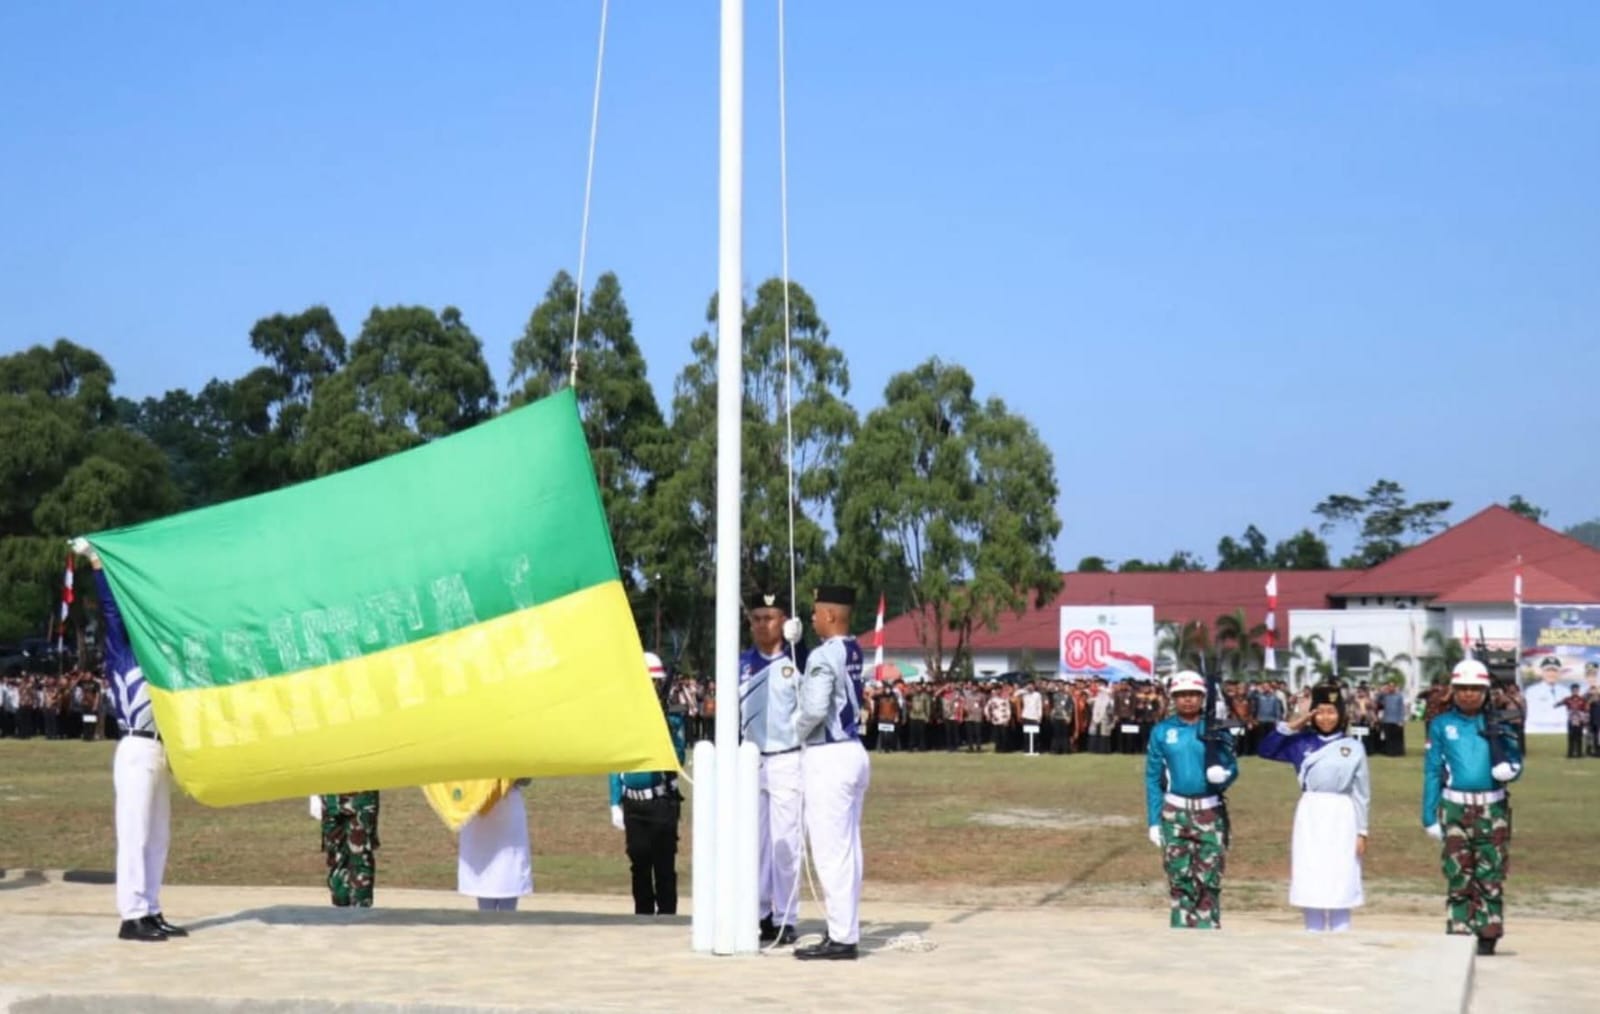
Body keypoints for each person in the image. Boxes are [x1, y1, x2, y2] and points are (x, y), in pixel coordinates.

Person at [78, 541, 187, 942]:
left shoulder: (162, 663)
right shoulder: (123, 655)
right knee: (135, 832)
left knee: (158, 835)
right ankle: (132, 915)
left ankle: (152, 907)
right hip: (136, 748)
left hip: (160, 749)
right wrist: (98, 567)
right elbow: (111, 613)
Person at [789, 584, 869, 961]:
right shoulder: (852, 648)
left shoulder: (824, 655)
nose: (812, 617)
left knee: (830, 852)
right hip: (853, 751)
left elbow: (816, 707)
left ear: (831, 616)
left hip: (829, 756)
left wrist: (794, 728)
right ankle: (845, 927)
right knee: (849, 849)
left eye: (816, 612)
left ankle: (841, 936)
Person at [1422, 659, 1523, 956]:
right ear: (1453, 690)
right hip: (1455, 808)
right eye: (1462, 688)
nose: (1468, 694)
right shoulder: (1442, 725)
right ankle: (1459, 929)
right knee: (1458, 874)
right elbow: (1431, 770)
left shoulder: (1500, 722)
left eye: (1475, 689)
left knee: (1490, 874)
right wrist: (1429, 814)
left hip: (1492, 810)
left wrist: (1511, 769)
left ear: (1485, 691)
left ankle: (1488, 933)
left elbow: (1516, 758)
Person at [1258, 682, 1370, 932]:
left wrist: (1362, 831)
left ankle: (1342, 930)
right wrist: (1296, 722)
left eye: (1332, 711)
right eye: (1320, 711)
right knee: (1311, 869)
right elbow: (1265, 749)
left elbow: (1362, 793)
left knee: (1341, 871)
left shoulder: (1354, 747)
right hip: (1311, 812)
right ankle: (1313, 931)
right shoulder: (1300, 742)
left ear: (1341, 714)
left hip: (1342, 813)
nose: (1326, 717)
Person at [1144, 669, 1238, 930]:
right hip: (1175, 813)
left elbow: (1233, 766)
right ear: (1173, 697)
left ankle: (1208, 932)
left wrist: (1224, 776)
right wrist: (1153, 820)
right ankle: (1181, 932)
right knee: (1179, 877)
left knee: (1209, 878)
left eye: (1193, 695)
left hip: (1210, 813)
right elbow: (1153, 778)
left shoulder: (1216, 729)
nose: (1187, 700)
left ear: (1202, 697)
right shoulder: (1162, 731)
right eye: (1181, 695)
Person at [738, 590, 804, 946]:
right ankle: (760, 911)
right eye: (757, 618)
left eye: (770, 617)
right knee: (755, 842)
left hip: (786, 758)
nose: (763, 625)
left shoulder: (798, 660)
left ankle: (786, 916)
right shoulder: (740, 663)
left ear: (785, 622)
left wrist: (802, 644)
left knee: (785, 843)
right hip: (750, 759)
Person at [609, 651, 687, 916]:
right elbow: (616, 762)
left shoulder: (671, 717)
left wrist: (664, 727)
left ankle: (667, 917)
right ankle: (642, 917)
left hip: (660, 801)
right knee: (639, 864)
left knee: (664, 866)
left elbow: (677, 758)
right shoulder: (624, 718)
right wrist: (614, 801)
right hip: (634, 802)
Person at [457, 779, 533, 911]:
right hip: (478, 801)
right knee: (483, 865)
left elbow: (526, 779)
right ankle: (487, 917)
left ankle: (507, 916)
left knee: (509, 865)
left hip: (507, 803)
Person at [320, 791, 381, 906]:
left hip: (362, 797)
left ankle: (360, 909)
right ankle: (341, 908)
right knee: (336, 857)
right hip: (331, 799)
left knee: (360, 856)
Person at [1376, 682, 1408, 757]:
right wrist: (1382, 691)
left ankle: (1398, 752)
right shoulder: (1385, 696)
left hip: (1397, 720)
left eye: (1392, 686)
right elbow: (1377, 700)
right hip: (1387, 719)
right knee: (1388, 737)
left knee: (1397, 738)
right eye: (1389, 686)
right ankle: (1389, 752)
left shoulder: (1399, 696)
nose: (1391, 688)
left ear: (1395, 687)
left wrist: (1401, 720)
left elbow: (1401, 709)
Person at [1561, 684, 1589, 760]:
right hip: (1571, 720)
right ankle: (1570, 753)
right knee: (1571, 737)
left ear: (1578, 690)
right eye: (1574, 690)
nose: (1575, 691)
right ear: (1571, 690)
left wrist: (1585, 720)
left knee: (1579, 737)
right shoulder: (1568, 699)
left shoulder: (1582, 699)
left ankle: (1579, 753)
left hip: (1580, 720)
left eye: (1576, 690)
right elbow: (1559, 703)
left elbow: (1586, 710)